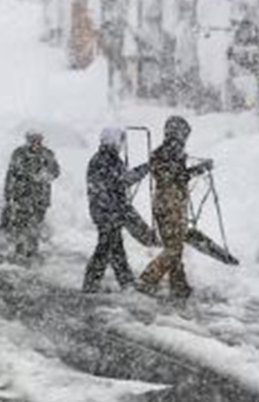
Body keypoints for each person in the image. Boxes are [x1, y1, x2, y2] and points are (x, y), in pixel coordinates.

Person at [138, 116, 213, 300]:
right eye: (184, 134)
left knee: (174, 247)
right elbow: (178, 177)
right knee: (173, 248)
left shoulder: (161, 152)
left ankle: (179, 286)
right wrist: (200, 169)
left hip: (164, 203)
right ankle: (148, 279)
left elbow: (173, 175)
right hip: (171, 204)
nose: (185, 139)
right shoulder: (172, 153)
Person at [82, 126, 148, 293]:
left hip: (109, 211)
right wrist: (145, 169)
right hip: (107, 212)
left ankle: (124, 282)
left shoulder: (110, 159)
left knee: (113, 247)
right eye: (119, 141)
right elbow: (123, 181)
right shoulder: (103, 160)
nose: (121, 145)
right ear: (112, 141)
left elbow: (120, 181)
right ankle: (92, 285)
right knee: (105, 249)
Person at [0, 130, 61, 261]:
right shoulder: (19, 153)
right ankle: (19, 250)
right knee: (21, 224)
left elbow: (55, 172)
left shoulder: (48, 154)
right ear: (27, 139)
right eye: (33, 139)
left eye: (38, 139)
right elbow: (11, 174)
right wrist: (8, 194)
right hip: (22, 196)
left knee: (35, 225)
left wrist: (46, 175)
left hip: (40, 199)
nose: (36, 142)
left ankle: (32, 252)